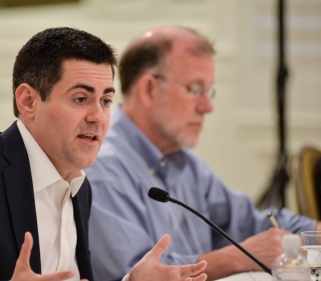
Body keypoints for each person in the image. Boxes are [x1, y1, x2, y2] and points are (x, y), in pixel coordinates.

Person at [0, 27, 208, 281]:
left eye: (106, 101)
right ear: (28, 101)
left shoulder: (80, 187)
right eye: (81, 98)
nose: (98, 116)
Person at [84, 26, 321, 281]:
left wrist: (313, 233)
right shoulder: (101, 167)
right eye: (195, 89)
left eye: (209, 91)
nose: (207, 107)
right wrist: (239, 257)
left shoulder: (184, 162)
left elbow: (254, 222)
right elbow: (134, 275)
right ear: (149, 90)